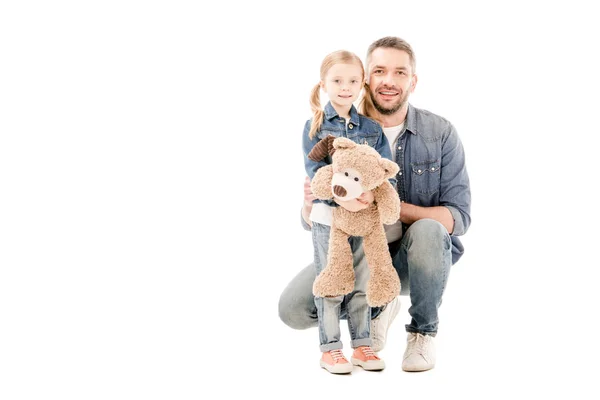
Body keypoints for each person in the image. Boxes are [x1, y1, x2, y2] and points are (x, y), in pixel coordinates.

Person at [280, 37, 471, 372]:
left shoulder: (440, 132)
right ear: (366, 77)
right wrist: (308, 208)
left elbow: (459, 218)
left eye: (400, 72)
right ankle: (376, 308)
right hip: (354, 247)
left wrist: (384, 203)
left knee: (429, 228)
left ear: (413, 81)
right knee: (294, 309)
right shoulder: (337, 129)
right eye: (379, 70)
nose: (389, 80)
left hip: (417, 261)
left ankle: (422, 333)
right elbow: (319, 202)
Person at [302, 50, 396, 374]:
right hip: (329, 219)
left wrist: (368, 196)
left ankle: (363, 345)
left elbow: (384, 172)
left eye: (353, 80)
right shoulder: (314, 127)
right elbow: (318, 176)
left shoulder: (372, 128)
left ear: (362, 84)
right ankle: (330, 349)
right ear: (324, 84)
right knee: (331, 280)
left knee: (361, 280)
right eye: (338, 80)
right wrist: (346, 198)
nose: (346, 87)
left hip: (365, 220)